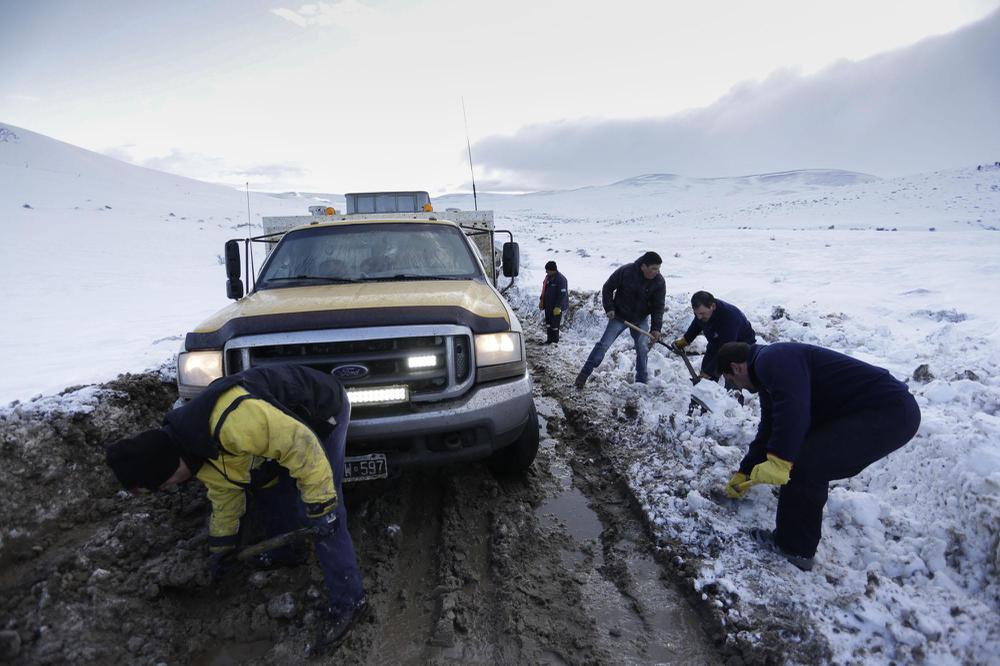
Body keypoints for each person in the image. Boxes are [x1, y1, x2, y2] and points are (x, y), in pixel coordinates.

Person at [105, 364, 366, 653]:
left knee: (326, 503)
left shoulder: (232, 421)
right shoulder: (193, 451)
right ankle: (289, 552)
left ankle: (349, 601)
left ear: (168, 467)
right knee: (267, 486)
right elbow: (225, 493)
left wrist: (322, 507)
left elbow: (303, 447)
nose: (169, 488)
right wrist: (223, 546)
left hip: (319, 409)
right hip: (277, 426)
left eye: (164, 483)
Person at [716, 342, 920, 571]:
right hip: (877, 411)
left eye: (732, 380)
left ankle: (795, 548)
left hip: (890, 412)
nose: (738, 387)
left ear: (736, 368)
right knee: (801, 455)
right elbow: (770, 426)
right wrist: (745, 470)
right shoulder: (769, 370)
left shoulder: (770, 361)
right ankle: (794, 541)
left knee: (805, 462)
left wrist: (780, 461)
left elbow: (795, 409)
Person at [575, 251, 665, 388]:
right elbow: (607, 288)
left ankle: (641, 381)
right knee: (603, 345)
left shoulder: (659, 281)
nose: (656, 272)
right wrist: (609, 308)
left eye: (658, 268)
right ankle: (583, 375)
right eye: (653, 268)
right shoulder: (626, 271)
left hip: (640, 319)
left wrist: (656, 328)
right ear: (643, 266)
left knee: (642, 348)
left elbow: (658, 306)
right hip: (620, 316)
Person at [672, 291, 756, 380]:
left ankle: (732, 392)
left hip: (741, 345)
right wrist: (685, 340)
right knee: (706, 367)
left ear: (713, 306)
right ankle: (707, 388)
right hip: (716, 340)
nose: (699, 317)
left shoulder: (730, 317)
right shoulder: (702, 312)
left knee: (732, 374)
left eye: (701, 313)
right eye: (696, 313)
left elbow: (726, 349)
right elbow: (697, 324)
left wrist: (709, 372)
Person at [539, 260, 569, 344]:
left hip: (556, 307)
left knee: (554, 325)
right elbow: (544, 290)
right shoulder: (548, 278)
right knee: (548, 324)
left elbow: (562, 294)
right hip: (548, 305)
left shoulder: (561, 279)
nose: (546, 272)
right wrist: (541, 300)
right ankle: (549, 339)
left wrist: (558, 306)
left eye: (547, 270)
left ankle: (555, 341)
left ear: (552, 270)